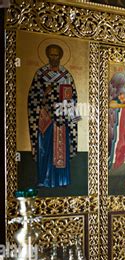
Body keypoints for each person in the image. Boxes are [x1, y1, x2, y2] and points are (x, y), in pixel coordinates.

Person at [27, 44, 80, 188]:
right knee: (45, 148)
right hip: (46, 119)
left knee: (61, 148)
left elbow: (73, 98)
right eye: (51, 55)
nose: (54, 58)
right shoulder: (40, 74)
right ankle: (44, 179)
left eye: (56, 55)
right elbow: (33, 97)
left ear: (61, 56)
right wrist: (45, 92)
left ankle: (62, 180)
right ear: (47, 55)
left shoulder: (66, 75)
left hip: (62, 119)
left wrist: (73, 120)